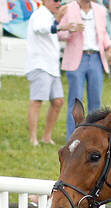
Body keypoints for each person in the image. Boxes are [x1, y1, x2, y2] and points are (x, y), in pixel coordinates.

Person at [58, 0, 111, 140]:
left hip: (96, 58)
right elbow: (59, 33)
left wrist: (109, 47)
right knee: (75, 102)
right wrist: (70, 29)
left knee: (96, 102)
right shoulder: (68, 8)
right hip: (77, 60)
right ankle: (72, 138)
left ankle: (92, 137)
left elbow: (103, 33)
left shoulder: (100, 9)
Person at [26, 0, 71, 146]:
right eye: (55, 0)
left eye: (60, 1)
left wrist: (68, 28)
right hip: (40, 65)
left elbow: (53, 33)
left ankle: (46, 137)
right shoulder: (39, 14)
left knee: (58, 101)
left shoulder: (50, 17)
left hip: (52, 67)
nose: (58, 3)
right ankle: (33, 138)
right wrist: (60, 25)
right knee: (37, 101)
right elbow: (41, 28)